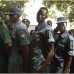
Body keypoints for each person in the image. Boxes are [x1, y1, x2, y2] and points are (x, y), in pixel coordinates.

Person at [28, 7, 54, 73]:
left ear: (46, 16)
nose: (39, 15)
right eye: (38, 13)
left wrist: (42, 68)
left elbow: (51, 52)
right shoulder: (36, 29)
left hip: (40, 67)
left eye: (42, 14)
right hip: (33, 65)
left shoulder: (47, 29)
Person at [6, 7, 30, 73]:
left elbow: (25, 48)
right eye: (9, 15)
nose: (9, 17)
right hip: (13, 56)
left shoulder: (20, 28)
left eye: (11, 15)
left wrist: (25, 64)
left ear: (18, 15)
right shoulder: (15, 26)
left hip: (17, 58)